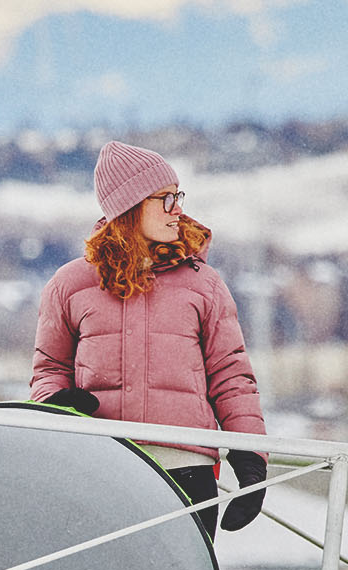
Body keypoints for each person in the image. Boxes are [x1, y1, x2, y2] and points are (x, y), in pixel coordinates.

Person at [31, 141, 268, 538]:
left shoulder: (204, 285)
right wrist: (56, 405)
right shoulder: (69, 285)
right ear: (130, 205)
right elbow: (49, 369)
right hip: (99, 469)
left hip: (186, 475)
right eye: (165, 198)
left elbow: (231, 376)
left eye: (178, 196)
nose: (178, 208)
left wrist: (250, 459)